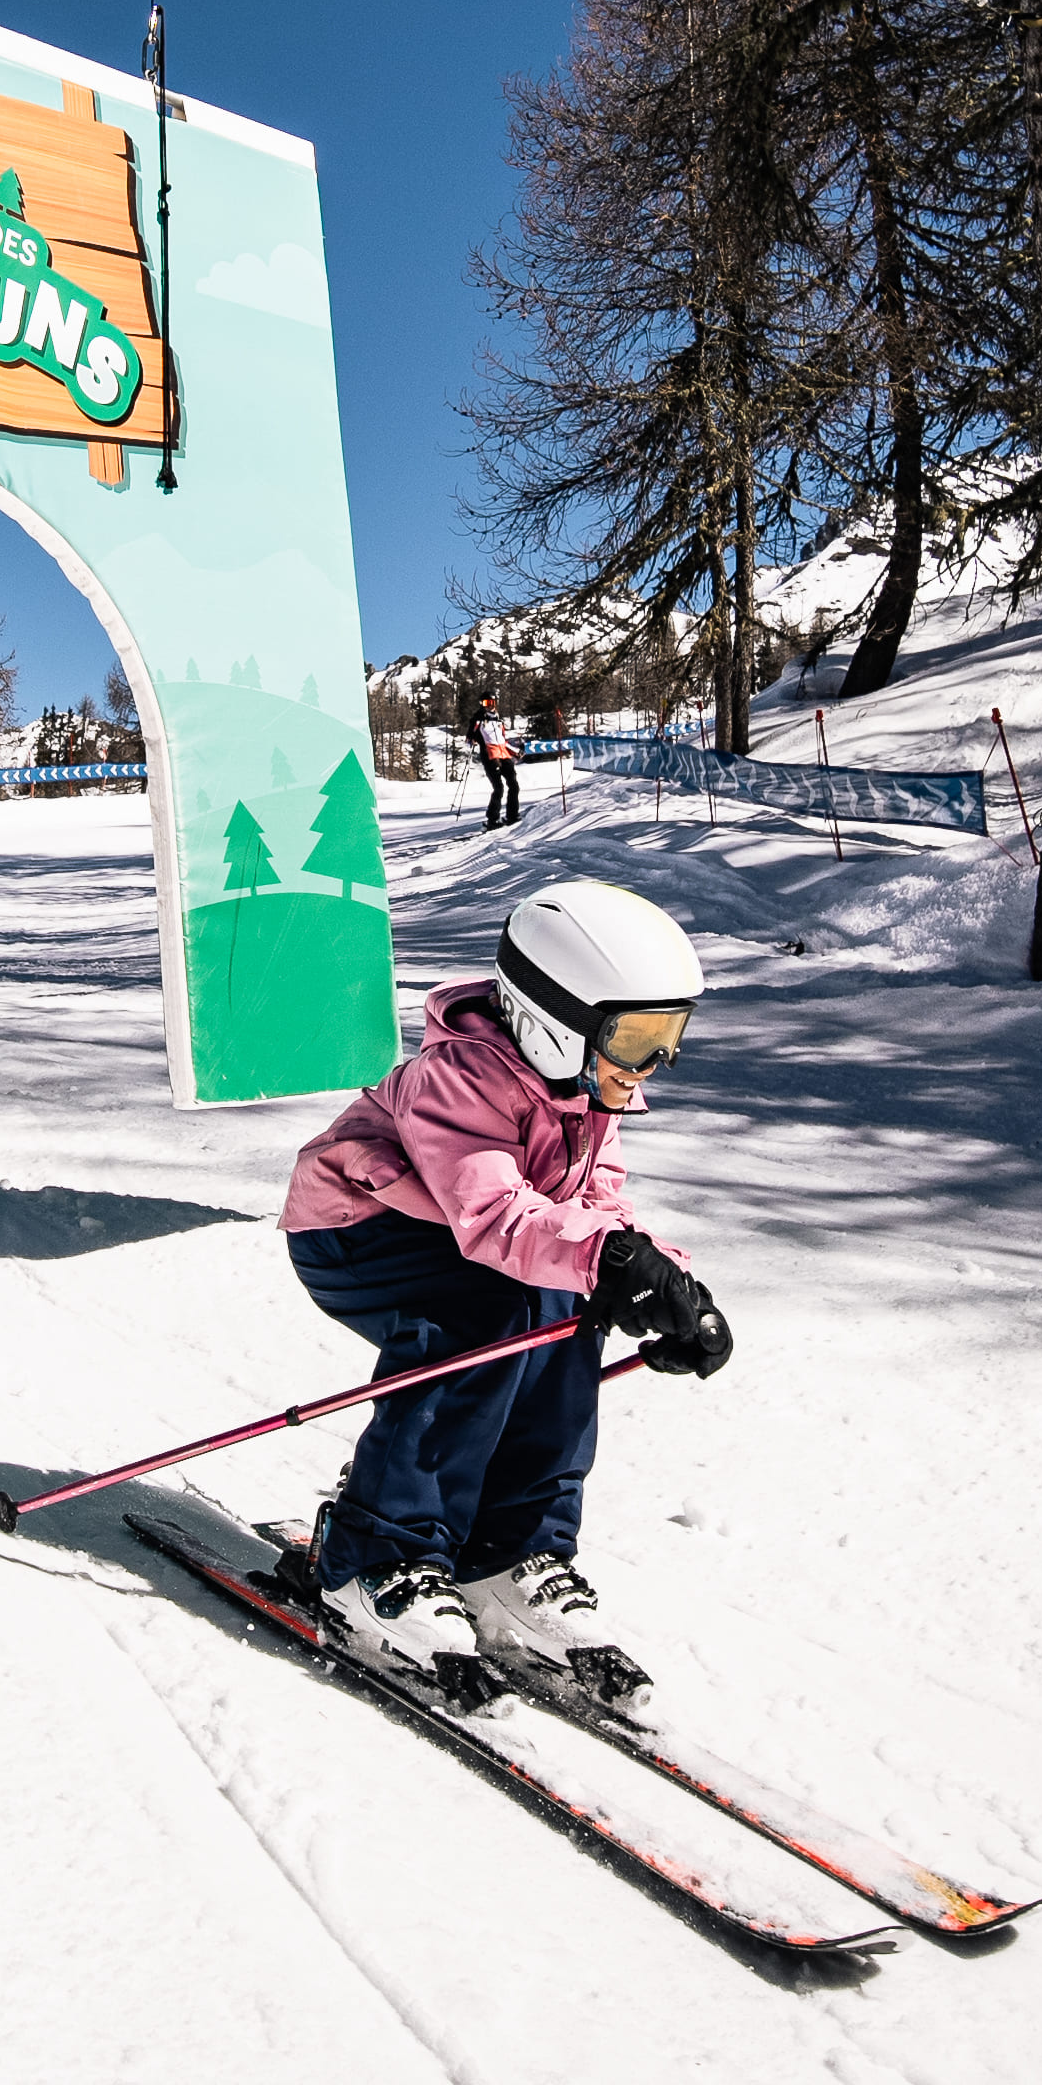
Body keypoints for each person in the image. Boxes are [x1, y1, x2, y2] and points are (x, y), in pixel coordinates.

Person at [276, 879, 731, 1709]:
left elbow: (593, 1211)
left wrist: (658, 1283)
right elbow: (493, 1213)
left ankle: (507, 1553)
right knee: (484, 1320)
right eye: (635, 1038)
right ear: (556, 1019)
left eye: (669, 1036)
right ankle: (373, 1558)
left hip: (462, 1234)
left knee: (571, 1310)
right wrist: (611, 1260)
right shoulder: (456, 1078)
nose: (653, 1063)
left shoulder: (586, 1090)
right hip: (357, 1232)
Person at [471, 695, 522, 830]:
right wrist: (474, 736)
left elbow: (502, 741)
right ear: (481, 703)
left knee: (514, 785)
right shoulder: (479, 719)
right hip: (490, 756)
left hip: (503, 754)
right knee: (498, 788)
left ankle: (512, 815)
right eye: (487, 702)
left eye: (492, 702)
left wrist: (514, 752)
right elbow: (470, 737)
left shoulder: (498, 720)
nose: (490, 705)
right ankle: (492, 820)